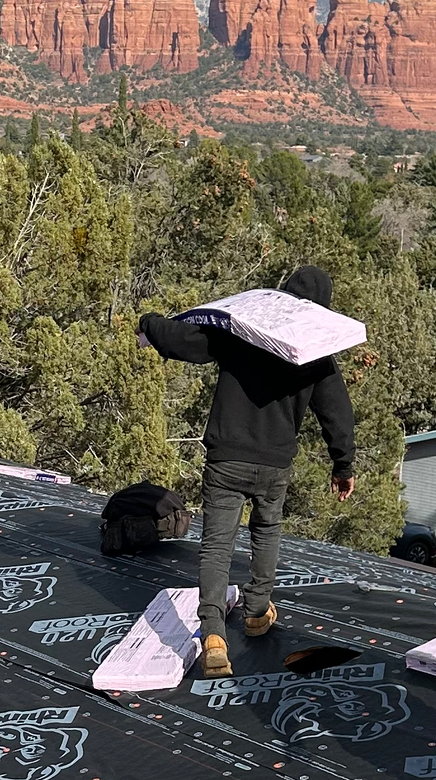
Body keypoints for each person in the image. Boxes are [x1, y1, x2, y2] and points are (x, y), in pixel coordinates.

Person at [139, 264, 355, 678]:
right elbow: (337, 415)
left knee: (217, 545)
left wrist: (149, 324)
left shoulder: (242, 331)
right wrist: (342, 464)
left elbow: (184, 341)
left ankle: (214, 636)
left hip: (226, 459)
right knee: (266, 530)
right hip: (274, 465)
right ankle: (256, 612)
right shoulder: (315, 353)